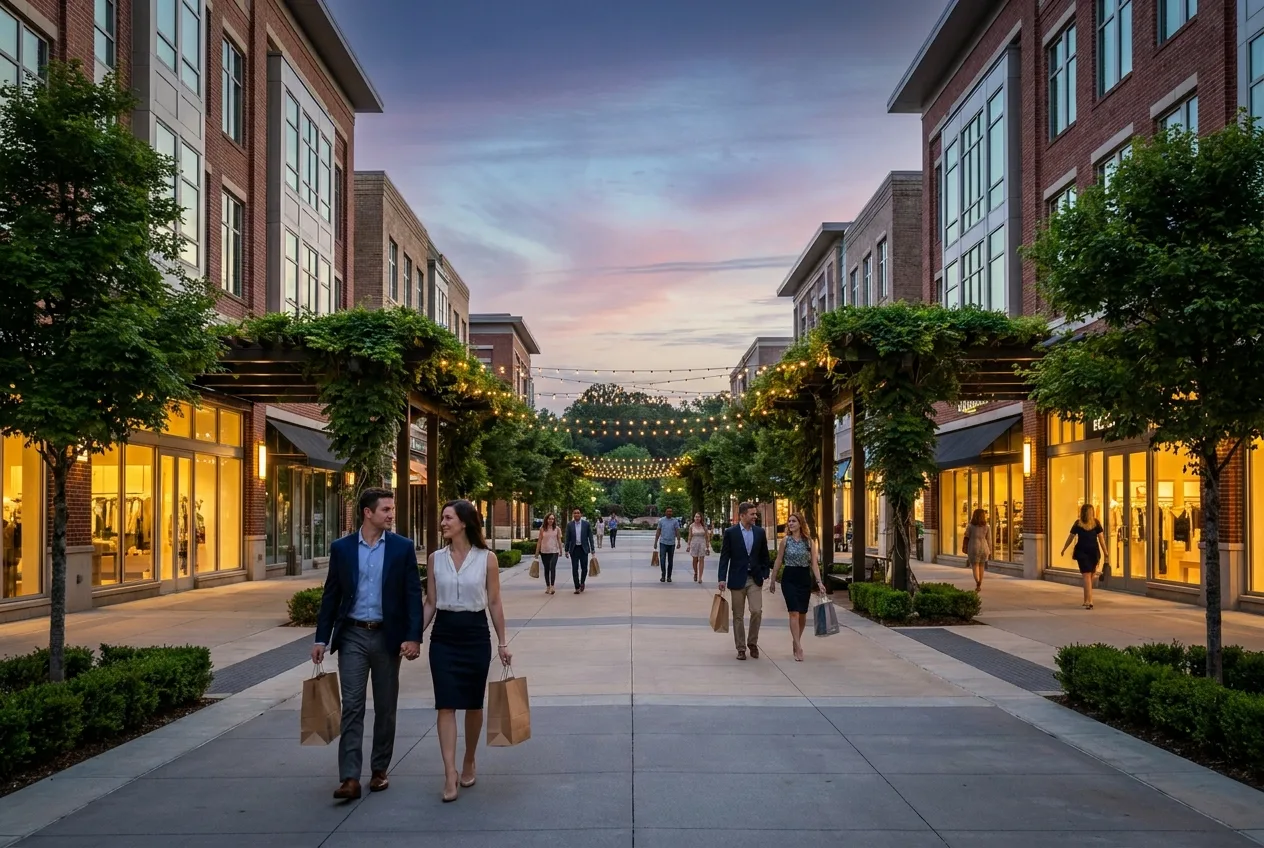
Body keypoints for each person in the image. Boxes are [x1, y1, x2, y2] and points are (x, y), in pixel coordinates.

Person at [312, 487, 423, 801]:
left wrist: (413, 636)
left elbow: (413, 595)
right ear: (368, 512)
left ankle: (379, 770)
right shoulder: (342, 548)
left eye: (392, 509)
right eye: (386, 509)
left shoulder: (402, 548)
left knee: (386, 707)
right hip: (353, 635)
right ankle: (349, 777)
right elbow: (331, 595)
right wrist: (321, 638)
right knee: (352, 706)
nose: (391, 514)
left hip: (388, 637)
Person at [424, 499, 512, 803]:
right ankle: (449, 772)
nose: (443, 523)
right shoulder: (435, 559)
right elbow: (430, 602)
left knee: (474, 704)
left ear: (464, 522)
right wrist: (412, 637)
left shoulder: (487, 559)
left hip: (475, 634)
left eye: (448, 518)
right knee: (445, 704)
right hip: (444, 635)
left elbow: (495, 602)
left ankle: (469, 759)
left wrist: (502, 642)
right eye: (442, 518)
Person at [717, 502, 773, 661]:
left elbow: (764, 555)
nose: (755, 516)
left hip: (754, 578)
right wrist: (722, 578)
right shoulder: (731, 533)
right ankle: (741, 648)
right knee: (738, 615)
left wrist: (764, 572)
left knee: (756, 611)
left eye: (755, 514)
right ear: (742, 515)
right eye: (752, 514)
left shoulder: (760, 532)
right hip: (737, 579)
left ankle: (752, 642)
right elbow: (725, 557)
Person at [770, 513, 827, 662]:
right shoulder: (785, 541)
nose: (790, 523)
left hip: (804, 578)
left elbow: (814, 564)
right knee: (793, 612)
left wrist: (819, 582)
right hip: (789, 577)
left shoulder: (809, 542)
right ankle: (799, 646)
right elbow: (778, 560)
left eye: (793, 521)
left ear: (800, 523)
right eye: (789, 521)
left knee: (802, 613)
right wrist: (773, 579)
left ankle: (796, 641)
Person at [1060, 504, 1109, 609]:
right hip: (1092, 552)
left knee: (1089, 577)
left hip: (1083, 551)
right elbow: (1101, 539)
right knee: (1088, 576)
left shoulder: (1079, 523)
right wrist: (1105, 552)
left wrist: (1064, 548)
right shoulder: (1095, 523)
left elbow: (1071, 537)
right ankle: (1089, 601)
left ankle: (1087, 600)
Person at [962, 508, 992, 592]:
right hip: (984, 547)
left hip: (973, 547)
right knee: (982, 566)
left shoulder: (970, 526)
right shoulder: (987, 527)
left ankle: (977, 582)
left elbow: (966, 537)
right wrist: (990, 550)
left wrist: (964, 547)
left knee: (975, 566)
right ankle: (980, 582)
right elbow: (989, 540)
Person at [564, 507, 593, 594]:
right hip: (574, 549)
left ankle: (582, 582)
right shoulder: (570, 525)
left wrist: (592, 549)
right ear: (573, 514)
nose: (576, 514)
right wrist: (566, 550)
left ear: (581, 514)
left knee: (584, 568)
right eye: (575, 513)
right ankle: (577, 587)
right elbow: (567, 538)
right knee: (575, 568)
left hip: (583, 549)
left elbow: (590, 537)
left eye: (578, 513)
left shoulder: (586, 524)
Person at [535, 512, 563, 594]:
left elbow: (559, 540)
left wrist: (561, 550)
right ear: (546, 519)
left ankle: (552, 586)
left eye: (552, 519)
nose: (551, 520)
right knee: (546, 569)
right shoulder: (542, 529)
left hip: (554, 551)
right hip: (544, 551)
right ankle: (548, 586)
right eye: (549, 519)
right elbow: (539, 541)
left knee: (552, 567)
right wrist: (537, 552)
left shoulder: (557, 529)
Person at [654, 507, 682, 583]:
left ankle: (669, 576)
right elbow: (658, 531)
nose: (669, 513)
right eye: (668, 511)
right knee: (662, 560)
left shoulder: (675, 521)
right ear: (665, 512)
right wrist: (655, 542)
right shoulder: (661, 520)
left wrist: (679, 541)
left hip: (671, 543)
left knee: (670, 561)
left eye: (670, 511)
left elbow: (677, 531)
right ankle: (663, 575)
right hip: (663, 543)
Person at [687, 512, 711, 583]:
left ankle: (700, 577)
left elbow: (707, 537)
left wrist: (707, 546)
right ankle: (695, 572)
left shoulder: (704, 526)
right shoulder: (691, 526)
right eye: (696, 517)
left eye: (698, 517)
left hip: (702, 543)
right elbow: (690, 536)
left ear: (701, 518)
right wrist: (688, 545)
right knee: (695, 559)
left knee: (701, 559)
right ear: (694, 518)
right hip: (694, 543)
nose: (697, 518)